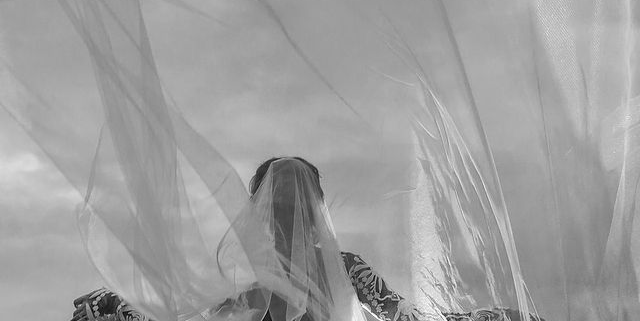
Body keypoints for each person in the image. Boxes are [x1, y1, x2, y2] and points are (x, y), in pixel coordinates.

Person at [71, 157, 544, 321]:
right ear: (318, 207)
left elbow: (187, 310)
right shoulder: (345, 265)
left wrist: (110, 304)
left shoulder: (239, 272)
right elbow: (401, 316)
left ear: (256, 205)